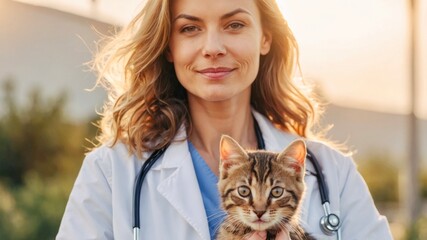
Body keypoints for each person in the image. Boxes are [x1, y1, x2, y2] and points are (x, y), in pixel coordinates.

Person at [57, 0, 393, 239]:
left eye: (234, 24)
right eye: (190, 28)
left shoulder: (334, 174)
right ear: (169, 46)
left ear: (265, 38)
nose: (213, 47)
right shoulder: (112, 172)